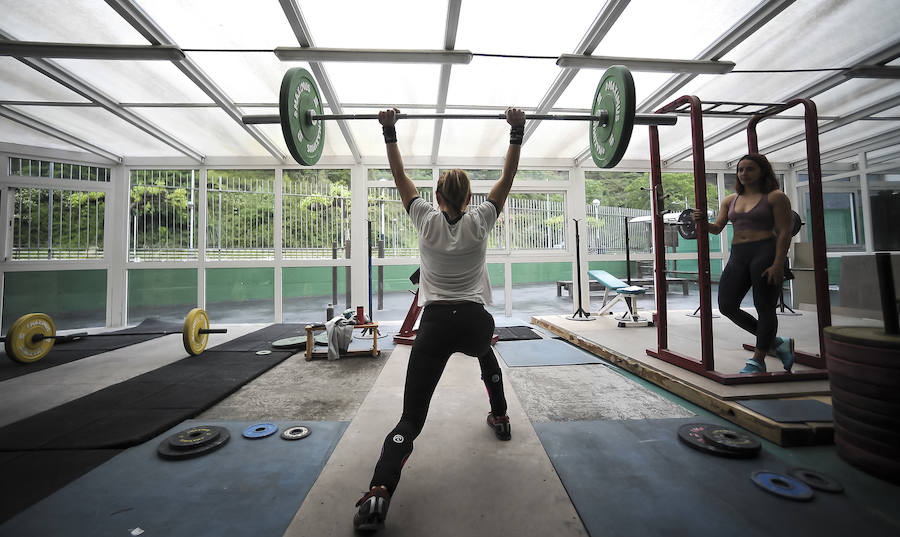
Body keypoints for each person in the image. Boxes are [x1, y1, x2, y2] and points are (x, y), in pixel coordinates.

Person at [353, 107, 526, 532]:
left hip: (433, 326)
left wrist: (389, 130)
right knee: (485, 352)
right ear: (469, 198)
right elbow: (506, 181)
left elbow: (399, 178)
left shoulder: (425, 219)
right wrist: (517, 131)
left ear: (437, 196)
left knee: (411, 419)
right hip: (474, 324)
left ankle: (378, 491)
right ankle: (500, 415)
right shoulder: (482, 219)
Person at [692, 153, 795, 374]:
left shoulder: (776, 197)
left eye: (750, 169)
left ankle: (758, 360)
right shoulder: (731, 200)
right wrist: (702, 222)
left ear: (762, 172)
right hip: (738, 254)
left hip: (765, 252)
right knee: (727, 305)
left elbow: (786, 232)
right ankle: (776, 343)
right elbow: (717, 227)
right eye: (740, 170)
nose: (744, 174)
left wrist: (778, 264)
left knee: (765, 307)